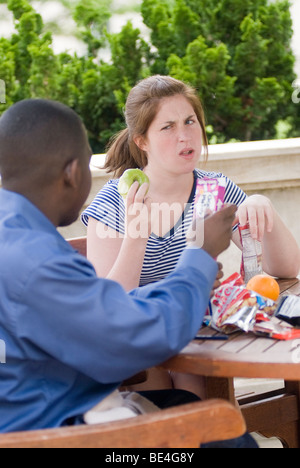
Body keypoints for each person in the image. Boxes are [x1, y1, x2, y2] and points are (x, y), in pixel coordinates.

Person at [0, 98, 258, 448]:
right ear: (72, 173)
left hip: (34, 411)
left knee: (188, 406)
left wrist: (188, 277)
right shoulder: (34, 258)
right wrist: (201, 256)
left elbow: (100, 313)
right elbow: (131, 340)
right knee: (227, 435)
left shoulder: (14, 232)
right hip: (58, 432)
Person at [82, 75, 300, 395]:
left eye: (190, 121)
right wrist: (136, 233)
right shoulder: (115, 202)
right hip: (137, 345)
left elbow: (285, 269)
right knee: (167, 387)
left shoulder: (216, 190)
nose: (185, 136)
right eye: (167, 127)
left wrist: (262, 207)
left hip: (197, 338)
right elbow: (111, 304)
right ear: (142, 141)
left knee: (197, 383)